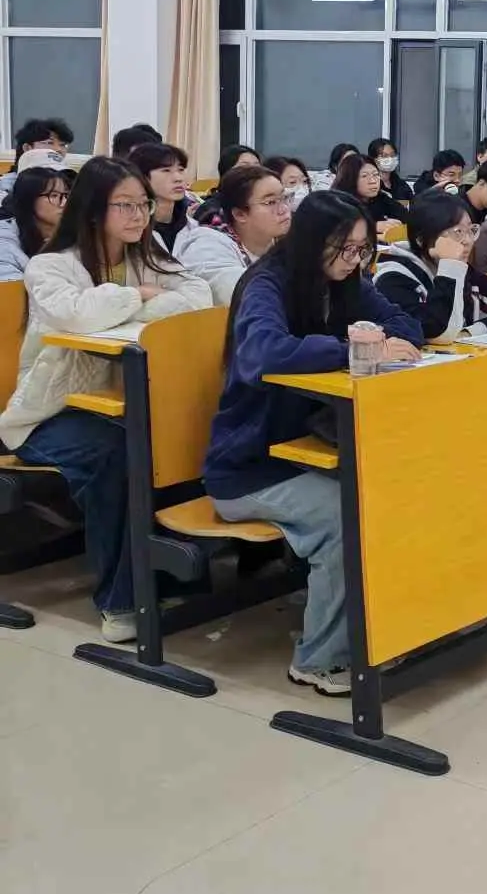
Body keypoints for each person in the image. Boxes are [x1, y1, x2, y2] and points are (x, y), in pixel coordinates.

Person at [203, 191, 422, 696]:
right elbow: (264, 351)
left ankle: (382, 630)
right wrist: (351, 349)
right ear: (310, 242)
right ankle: (322, 659)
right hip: (251, 466)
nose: (353, 261)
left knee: (398, 490)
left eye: (362, 250)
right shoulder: (267, 285)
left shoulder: (346, 281)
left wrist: (386, 339)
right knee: (347, 515)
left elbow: (405, 323)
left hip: (314, 450)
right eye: (344, 249)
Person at [0, 156, 211, 641]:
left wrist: (138, 299)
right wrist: (139, 296)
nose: (138, 215)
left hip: (118, 404)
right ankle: (121, 600)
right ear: (94, 210)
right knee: (119, 454)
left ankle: (169, 577)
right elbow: (75, 315)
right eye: (125, 205)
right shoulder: (50, 265)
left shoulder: (146, 252)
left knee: (173, 437)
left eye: (143, 204)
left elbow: (197, 296)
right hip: (50, 413)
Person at [376, 190, 487, 342]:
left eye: (470, 230)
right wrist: (450, 267)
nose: (467, 240)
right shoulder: (392, 278)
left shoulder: (461, 269)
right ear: (421, 240)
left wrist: (472, 332)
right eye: (457, 232)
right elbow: (435, 332)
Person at [176, 165, 291, 305]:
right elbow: (239, 292)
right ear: (239, 214)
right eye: (270, 202)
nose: (284, 209)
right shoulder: (207, 244)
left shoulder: (288, 239)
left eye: (284, 198)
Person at [0, 165, 72, 281]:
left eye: (66, 195)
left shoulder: (74, 232)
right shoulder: (5, 241)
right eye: (54, 195)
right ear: (29, 199)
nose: (64, 203)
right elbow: (10, 288)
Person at [127, 142, 195, 254]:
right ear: (142, 177)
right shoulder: (129, 229)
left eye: (181, 169)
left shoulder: (194, 228)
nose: (178, 178)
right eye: (166, 170)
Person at [333, 153, 409, 236]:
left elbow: (406, 216)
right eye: (364, 176)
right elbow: (337, 231)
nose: (373, 181)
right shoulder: (338, 202)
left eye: (376, 174)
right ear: (349, 179)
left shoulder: (380, 198)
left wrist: (396, 223)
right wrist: (373, 227)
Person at [0, 118, 74, 201]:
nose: (58, 149)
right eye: (49, 143)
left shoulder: (69, 183)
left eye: (63, 145)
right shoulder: (5, 187)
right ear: (27, 148)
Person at [367, 137, 415, 203]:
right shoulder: (370, 185)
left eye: (392, 155)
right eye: (384, 156)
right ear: (374, 159)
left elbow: (412, 204)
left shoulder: (401, 185)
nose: (390, 159)